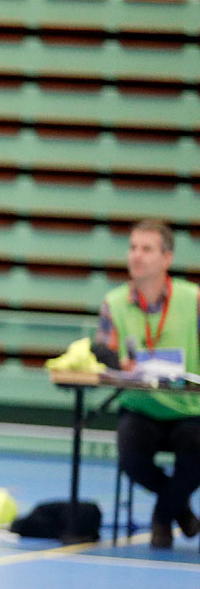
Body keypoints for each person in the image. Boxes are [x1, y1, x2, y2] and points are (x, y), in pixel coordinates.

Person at [95, 218, 200, 549]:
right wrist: (115, 364)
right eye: (133, 248)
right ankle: (179, 509)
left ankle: (163, 513)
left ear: (166, 259)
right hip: (140, 408)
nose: (136, 256)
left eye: (147, 249)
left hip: (189, 408)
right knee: (131, 458)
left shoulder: (194, 300)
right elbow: (102, 351)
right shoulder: (113, 303)